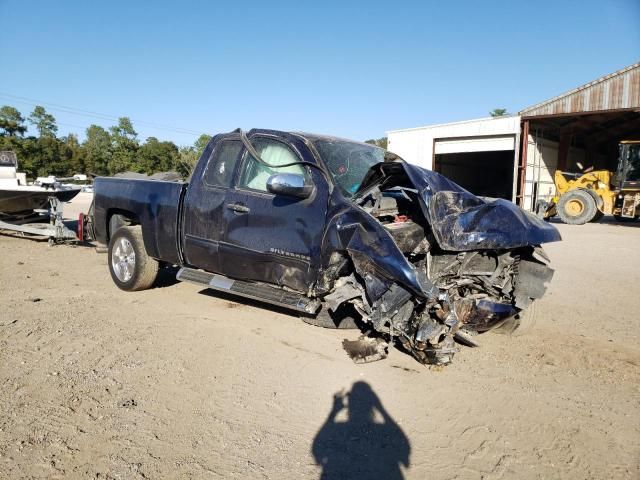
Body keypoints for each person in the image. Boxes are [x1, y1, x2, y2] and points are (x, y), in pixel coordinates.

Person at [312, 382, 410, 479]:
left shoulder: (339, 429)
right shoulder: (381, 431)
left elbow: (317, 451)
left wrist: (334, 412)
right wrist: (381, 408)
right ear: (372, 406)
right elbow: (404, 448)